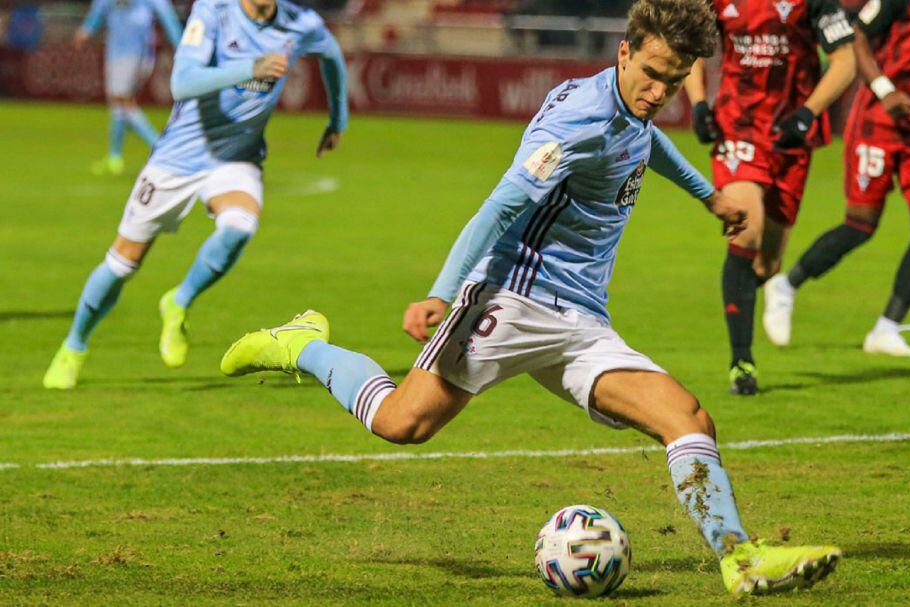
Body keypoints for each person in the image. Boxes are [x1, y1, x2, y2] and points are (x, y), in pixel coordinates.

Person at [220, 0, 841, 596]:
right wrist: (441, 293)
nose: (658, 93)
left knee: (688, 419)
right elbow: (501, 205)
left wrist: (708, 196)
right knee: (401, 423)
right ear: (624, 53)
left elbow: (646, 142)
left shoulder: (632, 109)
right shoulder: (575, 120)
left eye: (674, 82)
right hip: (511, 301)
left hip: (581, 322)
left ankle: (740, 558)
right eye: (651, 74)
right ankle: (303, 347)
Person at [43, 0, 349, 389]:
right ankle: (74, 346)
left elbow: (332, 54)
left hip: (236, 158)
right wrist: (250, 68)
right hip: (179, 158)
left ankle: (179, 300)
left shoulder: (298, 22)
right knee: (123, 263)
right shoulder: (214, 11)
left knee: (240, 224)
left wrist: (338, 118)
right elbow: (182, 81)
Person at [763, 0, 910, 356]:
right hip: (877, 123)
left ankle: (886, 329)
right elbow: (858, 37)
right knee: (860, 226)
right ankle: (786, 286)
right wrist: (885, 90)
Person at [684, 0, 857, 395]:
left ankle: (761, 290)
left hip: (790, 137)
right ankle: (741, 361)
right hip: (739, 130)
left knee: (767, 262)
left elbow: (846, 60)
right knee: (746, 228)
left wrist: (808, 113)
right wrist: (697, 103)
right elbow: (692, 45)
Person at [74, 0, 184, 175]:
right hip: (131, 54)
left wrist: (182, 48)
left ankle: (162, 148)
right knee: (119, 104)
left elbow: (165, 15)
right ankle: (114, 158)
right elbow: (166, 15)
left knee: (122, 102)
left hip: (128, 53)